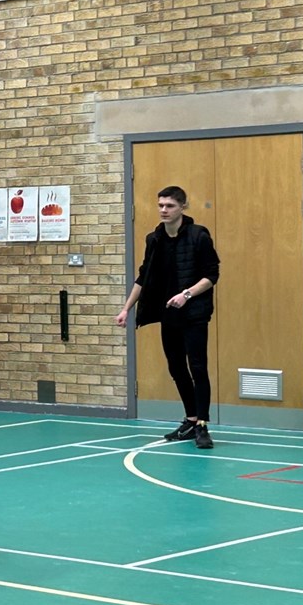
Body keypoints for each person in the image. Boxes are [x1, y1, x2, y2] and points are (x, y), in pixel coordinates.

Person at [115, 185, 221, 449]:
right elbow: (143, 276)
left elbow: (211, 276)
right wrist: (127, 308)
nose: (164, 210)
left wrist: (186, 294)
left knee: (197, 367)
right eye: (161, 205)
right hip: (168, 315)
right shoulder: (154, 239)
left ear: (183, 207)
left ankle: (203, 426)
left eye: (170, 205)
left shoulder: (199, 236)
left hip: (194, 314)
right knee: (176, 368)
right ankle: (191, 418)